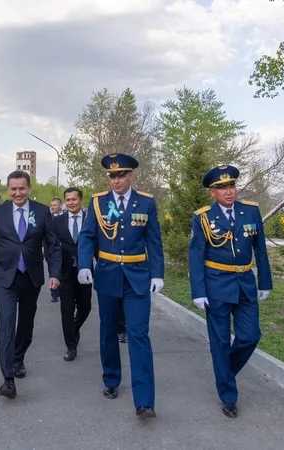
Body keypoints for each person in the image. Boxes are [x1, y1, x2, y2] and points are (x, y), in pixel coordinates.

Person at [77, 153, 164, 419]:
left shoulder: (146, 202)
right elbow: (87, 236)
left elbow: (154, 241)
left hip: (137, 277)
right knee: (108, 331)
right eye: (112, 176)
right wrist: (84, 265)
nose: (116, 181)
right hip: (108, 275)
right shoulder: (98, 202)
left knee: (139, 335)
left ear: (131, 176)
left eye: (121, 175)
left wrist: (157, 274)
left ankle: (145, 401)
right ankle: (111, 378)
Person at [188, 164, 272, 418]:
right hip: (216, 285)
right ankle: (228, 396)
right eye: (222, 187)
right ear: (212, 192)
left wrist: (265, 282)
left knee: (250, 336)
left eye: (231, 186)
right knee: (221, 341)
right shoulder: (203, 217)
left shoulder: (250, 211)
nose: (228, 191)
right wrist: (198, 291)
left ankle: (224, 372)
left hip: (245, 283)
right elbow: (196, 255)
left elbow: (260, 249)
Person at [0, 171, 62, 399]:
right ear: (8, 190)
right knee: (7, 323)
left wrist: (55, 273)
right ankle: (8, 378)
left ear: (29, 188)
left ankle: (18, 358)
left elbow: (53, 245)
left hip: (30, 277)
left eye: (22, 188)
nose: (18, 193)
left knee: (26, 323)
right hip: (4, 277)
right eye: (13, 189)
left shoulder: (42, 211)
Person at [52, 187, 93, 362]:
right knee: (66, 309)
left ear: (81, 200)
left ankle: (74, 328)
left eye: (74, 199)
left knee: (85, 307)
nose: (71, 203)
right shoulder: (57, 221)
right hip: (65, 272)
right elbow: (52, 247)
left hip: (85, 272)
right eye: (68, 200)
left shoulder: (90, 219)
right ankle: (71, 346)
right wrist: (54, 273)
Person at [48, 197, 64, 303]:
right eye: (51, 205)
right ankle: (54, 293)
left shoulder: (66, 217)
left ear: (60, 206)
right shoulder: (48, 218)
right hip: (51, 250)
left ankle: (64, 291)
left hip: (64, 249)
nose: (52, 207)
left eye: (55, 205)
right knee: (53, 270)